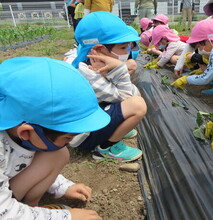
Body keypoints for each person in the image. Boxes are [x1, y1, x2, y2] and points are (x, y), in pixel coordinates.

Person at [0, 57, 108, 219]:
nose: (70, 142)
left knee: (58, 154)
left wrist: (62, 187)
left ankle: (30, 209)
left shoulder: (20, 125)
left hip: (7, 185)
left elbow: (25, 160)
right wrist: (66, 216)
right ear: (26, 132)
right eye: (67, 137)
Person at [71, 11, 147, 161]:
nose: (127, 52)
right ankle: (106, 147)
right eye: (123, 47)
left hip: (93, 120)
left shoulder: (91, 66)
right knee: (138, 105)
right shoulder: (88, 75)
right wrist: (120, 68)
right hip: (84, 137)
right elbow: (130, 97)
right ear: (99, 50)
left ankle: (113, 130)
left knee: (131, 98)